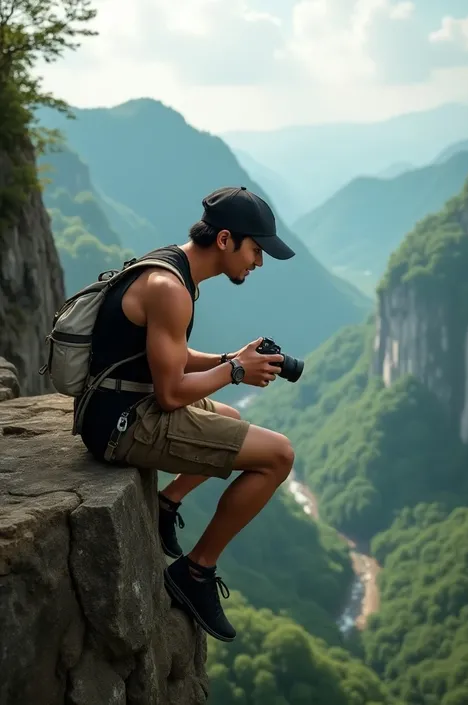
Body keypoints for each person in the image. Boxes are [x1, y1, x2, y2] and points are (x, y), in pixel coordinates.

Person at [79, 186, 297, 642]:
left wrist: (227, 356)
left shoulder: (170, 265)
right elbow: (173, 392)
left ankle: (166, 502)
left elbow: (170, 353)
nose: (258, 262)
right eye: (256, 250)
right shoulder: (171, 290)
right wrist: (236, 371)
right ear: (224, 240)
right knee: (279, 456)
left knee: (234, 422)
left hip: (120, 403)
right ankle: (195, 575)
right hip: (123, 425)